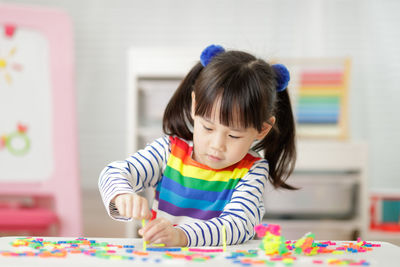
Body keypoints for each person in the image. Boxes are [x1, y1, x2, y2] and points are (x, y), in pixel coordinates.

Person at [98, 44, 297, 247]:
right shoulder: (168, 152)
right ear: (194, 106)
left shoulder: (252, 170)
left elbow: (239, 225)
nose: (217, 145)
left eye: (234, 135)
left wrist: (181, 236)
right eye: (208, 128)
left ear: (262, 129)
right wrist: (122, 195)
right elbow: (114, 173)